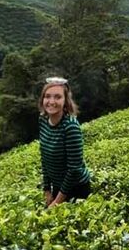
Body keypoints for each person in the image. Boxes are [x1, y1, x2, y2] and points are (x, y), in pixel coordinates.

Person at [38, 76, 92, 208]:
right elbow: (44, 158)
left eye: (57, 97)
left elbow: (75, 169)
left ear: (66, 101)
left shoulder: (70, 127)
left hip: (76, 189)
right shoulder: (43, 121)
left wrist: (57, 202)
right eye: (47, 96)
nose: (51, 101)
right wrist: (47, 190)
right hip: (58, 187)